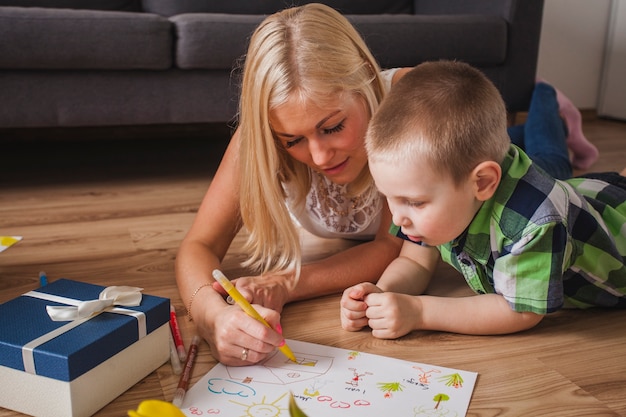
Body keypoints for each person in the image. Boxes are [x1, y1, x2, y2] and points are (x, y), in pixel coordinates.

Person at [176, 3, 595, 366]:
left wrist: (287, 283)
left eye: (333, 126)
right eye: (293, 141)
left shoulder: (409, 107)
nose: (320, 158)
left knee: (551, 168)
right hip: (466, 187)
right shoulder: (261, 136)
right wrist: (212, 317)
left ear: (365, 80)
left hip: (503, 175)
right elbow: (198, 246)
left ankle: (547, 108)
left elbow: (391, 245)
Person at [340, 60, 626, 339]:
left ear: (483, 182)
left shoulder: (534, 224)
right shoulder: (428, 198)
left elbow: (519, 311)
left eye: (414, 202)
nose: (398, 217)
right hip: (582, 197)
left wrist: (420, 312)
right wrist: (381, 294)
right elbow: (415, 263)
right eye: (389, 197)